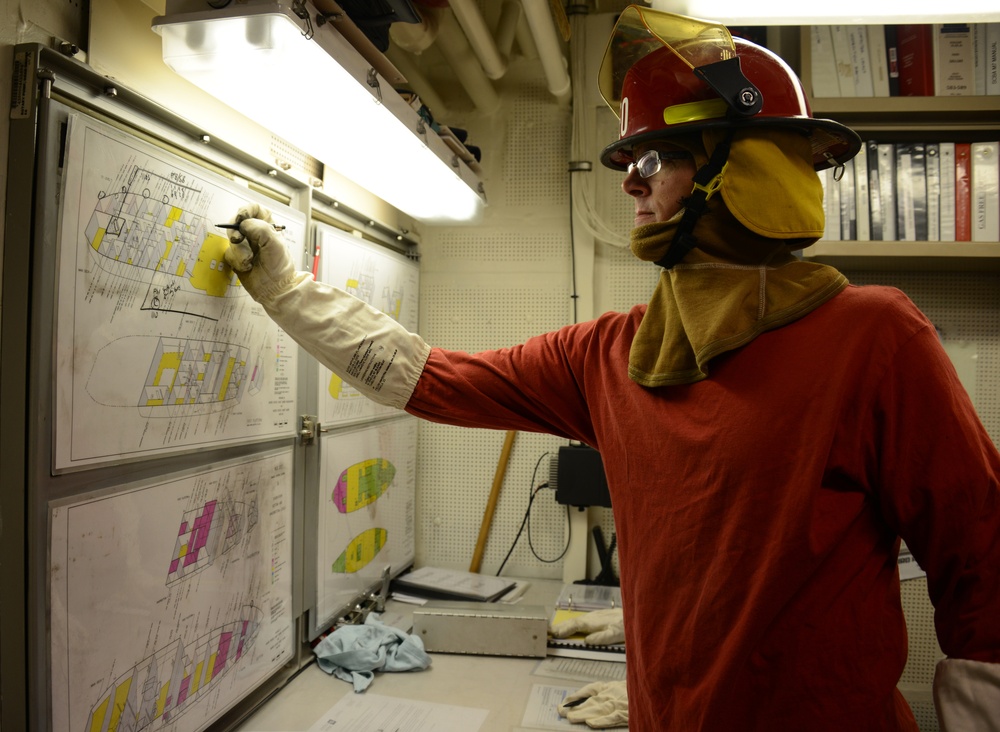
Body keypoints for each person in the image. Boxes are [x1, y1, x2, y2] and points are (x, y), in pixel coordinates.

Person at [224, 6, 1000, 730]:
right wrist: (288, 294)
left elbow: (984, 559)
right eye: (630, 159)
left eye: (656, 156)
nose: (628, 180)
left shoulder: (874, 338)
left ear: (747, 168)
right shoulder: (618, 351)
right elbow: (432, 378)